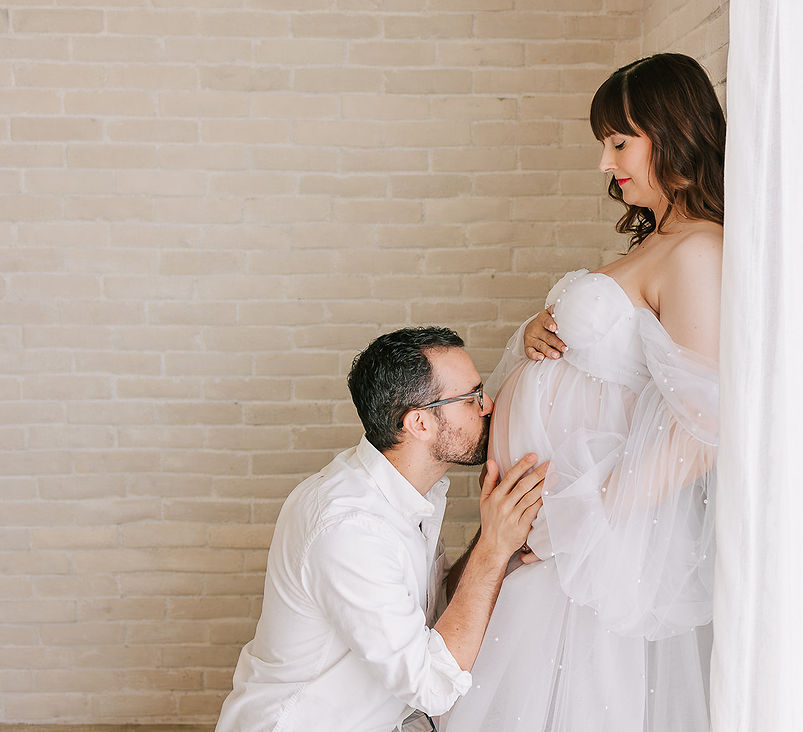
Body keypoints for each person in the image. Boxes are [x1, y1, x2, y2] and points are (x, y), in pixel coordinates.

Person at [443, 54, 724, 731]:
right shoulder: (656, 243)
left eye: (619, 141)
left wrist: (584, 519)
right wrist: (540, 331)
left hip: (593, 536)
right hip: (552, 519)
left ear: (672, 133)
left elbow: (703, 423)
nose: (605, 162)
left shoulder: (698, 251)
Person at [216, 327, 548, 732]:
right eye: (473, 396)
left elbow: (437, 611)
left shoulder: (404, 492)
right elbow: (431, 685)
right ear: (420, 423)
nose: (488, 405)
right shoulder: (350, 527)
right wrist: (493, 549)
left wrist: (497, 537)